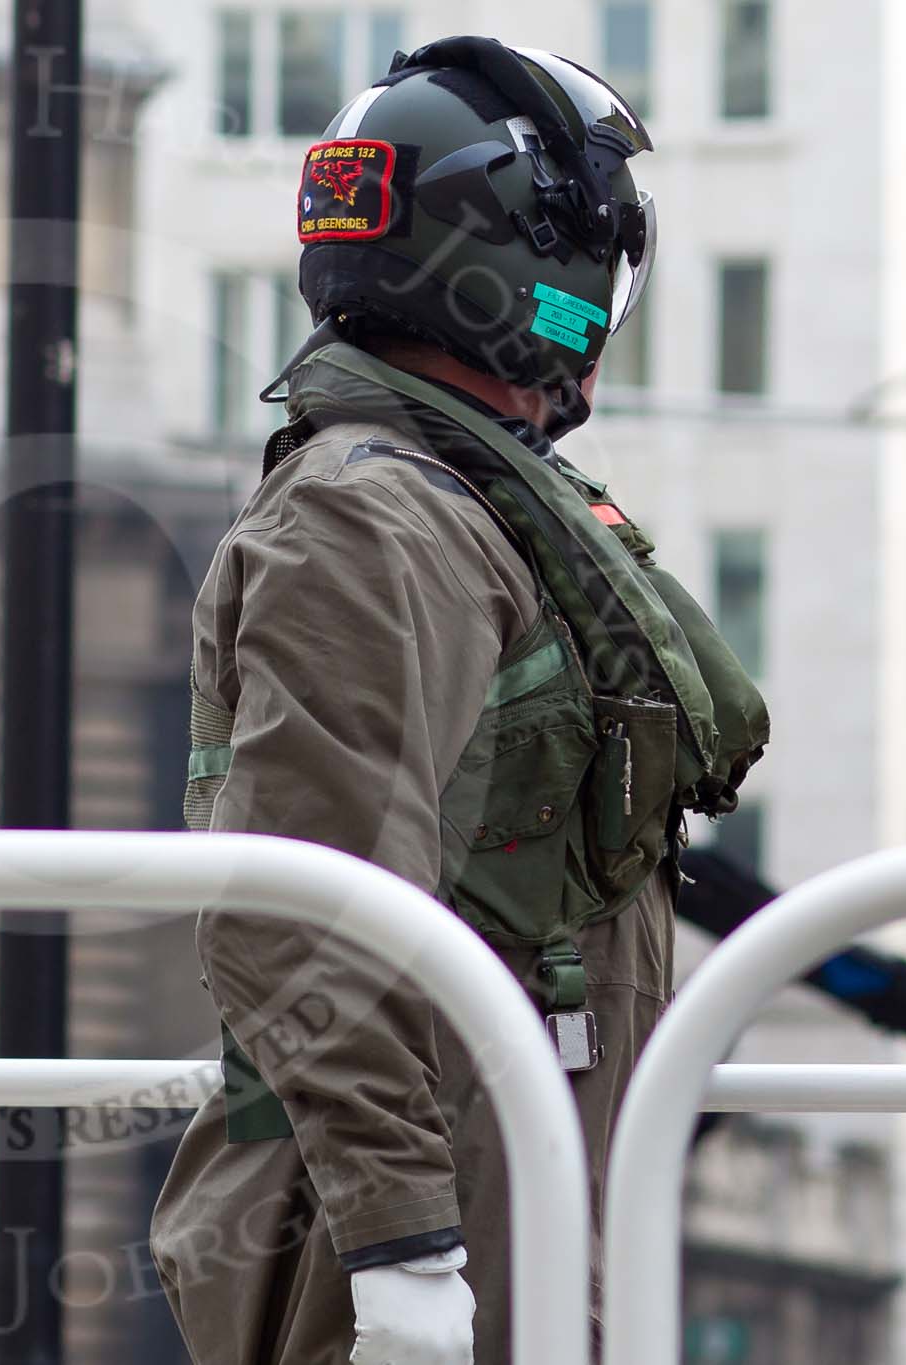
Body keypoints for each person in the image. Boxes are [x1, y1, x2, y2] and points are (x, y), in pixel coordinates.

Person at [149, 38, 769, 1365]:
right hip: (414, 1230)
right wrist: (401, 1245)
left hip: (508, 1184)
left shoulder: (447, 505)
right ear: (535, 268)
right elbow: (303, 901)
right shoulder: (375, 520)